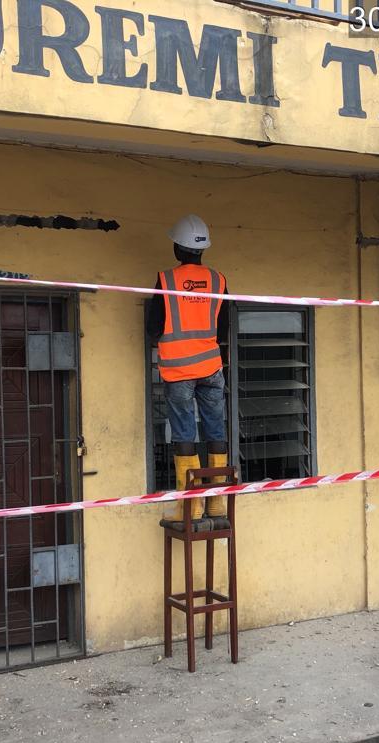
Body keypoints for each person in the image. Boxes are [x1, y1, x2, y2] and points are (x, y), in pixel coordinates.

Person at [146, 214, 230, 522]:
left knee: (184, 433)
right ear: (202, 249)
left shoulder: (166, 280)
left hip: (179, 370)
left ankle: (191, 507)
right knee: (215, 429)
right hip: (211, 367)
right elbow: (223, 328)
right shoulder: (219, 280)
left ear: (177, 248)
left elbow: (153, 328)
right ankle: (217, 504)